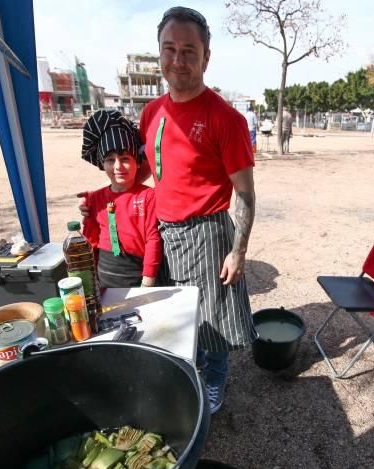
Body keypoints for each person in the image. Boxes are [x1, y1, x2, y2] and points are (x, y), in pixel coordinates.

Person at [82, 6, 256, 414]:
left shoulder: (225, 119)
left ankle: (214, 380)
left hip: (208, 231)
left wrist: (239, 250)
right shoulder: (151, 111)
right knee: (173, 317)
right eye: (169, 49)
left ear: (206, 57)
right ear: (159, 53)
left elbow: (245, 192)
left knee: (213, 322)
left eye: (189, 51)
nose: (178, 60)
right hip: (163, 229)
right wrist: (104, 196)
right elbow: (143, 169)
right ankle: (187, 374)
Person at [78, 110, 161, 288]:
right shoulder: (95, 198)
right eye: (110, 160)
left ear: (138, 162)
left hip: (137, 276)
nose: (118, 166)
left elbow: (153, 240)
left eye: (125, 158)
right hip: (104, 278)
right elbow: (90, 239)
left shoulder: (148, 196)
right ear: (102, 164)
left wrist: (147, 282)